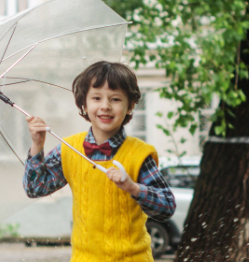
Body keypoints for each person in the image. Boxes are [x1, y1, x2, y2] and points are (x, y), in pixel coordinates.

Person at [23, 61, 176, 261]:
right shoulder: (69, 149)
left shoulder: (140, 154)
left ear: (130, 106)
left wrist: (133, 188)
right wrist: (37, 145)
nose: (105, 106)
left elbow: (167, 207)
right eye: (96, 98)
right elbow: (35, 188)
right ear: (84, 105)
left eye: (115, 99)